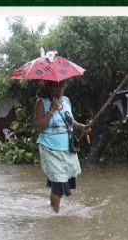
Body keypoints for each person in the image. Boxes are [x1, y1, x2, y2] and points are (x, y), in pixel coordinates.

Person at [34, 80, 90, 213]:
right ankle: (55, 216)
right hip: (50, 148)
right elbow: (38, 127)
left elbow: (71, 121)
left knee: (62, 183)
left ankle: (53, 209)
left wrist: (82, 127)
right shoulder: (41, 103)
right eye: (55, 86)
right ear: (48, 87)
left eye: (61, 86)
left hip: (67, 147)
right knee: (58, 185)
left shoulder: (66, 101)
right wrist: (52, 109)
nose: (59, 89)